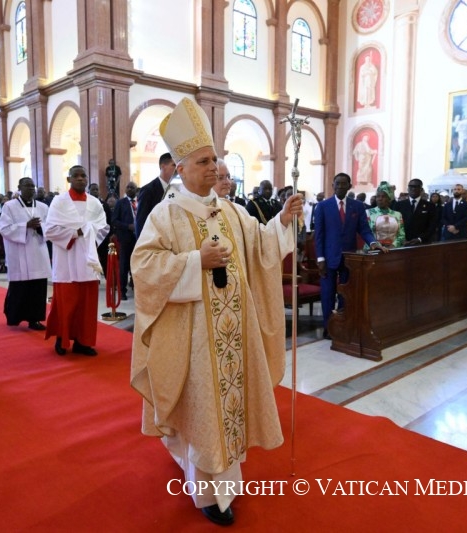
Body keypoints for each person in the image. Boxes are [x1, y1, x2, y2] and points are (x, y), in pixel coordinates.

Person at [130, 97, 303, 526]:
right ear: (182, 167)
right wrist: (194, 263)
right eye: (204, 161)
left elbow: (261, 248)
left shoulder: (230, 211)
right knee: (203, 413)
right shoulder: (165, 214)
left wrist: (282, 220)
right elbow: (144, 267)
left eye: (215, 161)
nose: (213, 169)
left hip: (233, 337)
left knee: (226, 411)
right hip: (193, 340)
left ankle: (218, 483)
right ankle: (210, 495)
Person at [43, 165, 109, 356]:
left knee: (86, 306)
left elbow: (103, 227)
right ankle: (61, 340)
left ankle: (83, 342)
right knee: (67, 302)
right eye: (76, 176)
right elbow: (49, 230)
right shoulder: (59, 202)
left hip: (87, 260)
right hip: (66, 261)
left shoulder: (95, 203)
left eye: (83, 176)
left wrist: (90, 233)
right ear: (69, 179)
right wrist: (76, 232)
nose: (80, 179)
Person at [314, 172, 385, 339]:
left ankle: (344, 324)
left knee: (346, 294)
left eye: (344, 184)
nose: (340, 186)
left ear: (349, 186)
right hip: (328, 257)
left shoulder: (357, 206)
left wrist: (373, 243)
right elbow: (319, 235)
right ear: (333, 185)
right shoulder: (323, 206)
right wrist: (320, 259)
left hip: (349, 259)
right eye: (337, 183)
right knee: (327, 294)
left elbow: (364, 230)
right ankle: (328, 327)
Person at [0, 177, 51, 331]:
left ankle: (34, 319)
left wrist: (40, 228)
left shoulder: (43, 207)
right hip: (19, 252)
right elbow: (4, 228)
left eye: (32, 186)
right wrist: (25, 226)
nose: (31, 188)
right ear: (19, 188)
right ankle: (14, 317)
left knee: (38, 288)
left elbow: (50, 226)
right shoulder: (9, 206)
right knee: (19, 287)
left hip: (37, 251)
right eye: (27, 185)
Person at [135, 152, 176, 238]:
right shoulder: (148, 190)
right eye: (174, 165)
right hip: (153, 237)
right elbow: (141, 220)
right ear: (163, 166)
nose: (177, 169)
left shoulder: (175, 189)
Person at [111, 181, 138, 300]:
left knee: (138, 265)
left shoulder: (140, 201)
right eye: (128, 187)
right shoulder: (121, 203)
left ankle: (137, 288)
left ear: (136, 189)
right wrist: (128, 226)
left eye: (132, 187)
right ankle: (122, 291)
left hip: (139, 239)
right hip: (126, 238)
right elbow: (114, 221)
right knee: (124, 265)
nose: (130, 189)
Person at [392, 178, 438, 246]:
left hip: (422, 243)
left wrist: (420, 239)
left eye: (416, 186)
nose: (413, 189)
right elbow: (394, 223)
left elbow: (432, 225)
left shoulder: (430, 206)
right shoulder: (399, 205)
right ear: (408, 189)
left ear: (421, 189)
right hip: (402, 242)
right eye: (411, 186)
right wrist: (401, 239)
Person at [366, 182, 405, 248]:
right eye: (378, 196)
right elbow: (367, 233)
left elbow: (402, 235)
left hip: (393, 250)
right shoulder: (368, 213)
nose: (380, 199)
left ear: (389, 199)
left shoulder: (397, 215)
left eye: (383, 196)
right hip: (374, 249)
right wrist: (378, 245)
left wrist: (393, 245)